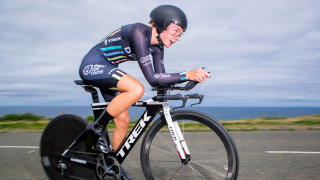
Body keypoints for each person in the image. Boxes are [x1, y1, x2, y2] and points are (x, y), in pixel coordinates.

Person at [79, 5, 210, 154]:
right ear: (162, 25)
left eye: (180, 34)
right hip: (92, 65)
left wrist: (188, 80)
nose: (178, 38)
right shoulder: (139, 32)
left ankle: (111, 165)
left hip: (107, 69)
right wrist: (187, 74)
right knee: (136, 89)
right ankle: (97, 127)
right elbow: (152, 79)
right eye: (176, 31)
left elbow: (161, 79)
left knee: (123, 121)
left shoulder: (158, 48)